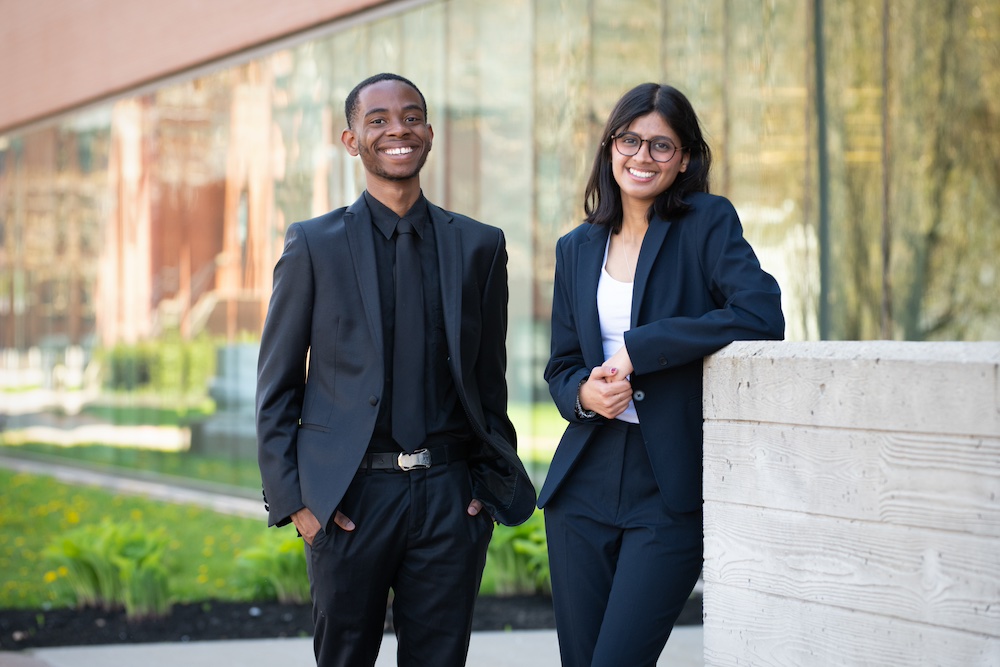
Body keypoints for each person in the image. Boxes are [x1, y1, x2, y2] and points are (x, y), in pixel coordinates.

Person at [256, 72, 536, 667]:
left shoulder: (480, 247)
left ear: (429, 134)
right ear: (351, 140)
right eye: (377, 120)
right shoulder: (313, 245)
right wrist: (298, 505)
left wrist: (483, 489)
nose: (397, 130)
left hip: (449, 497)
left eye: (410, 116)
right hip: (349, 499)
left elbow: (490, 384)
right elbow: (276, 387)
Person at [538, 83, 785, 666]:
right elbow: (560, 365)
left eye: (661, 146)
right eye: (630, 140)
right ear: (609, 147)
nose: (641, 157)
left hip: (667, 485)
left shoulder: (705, 223)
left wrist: (639, 348)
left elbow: (760, 314)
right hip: (583, 484)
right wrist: (581, 393)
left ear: (686, 158)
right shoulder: (576, 247)